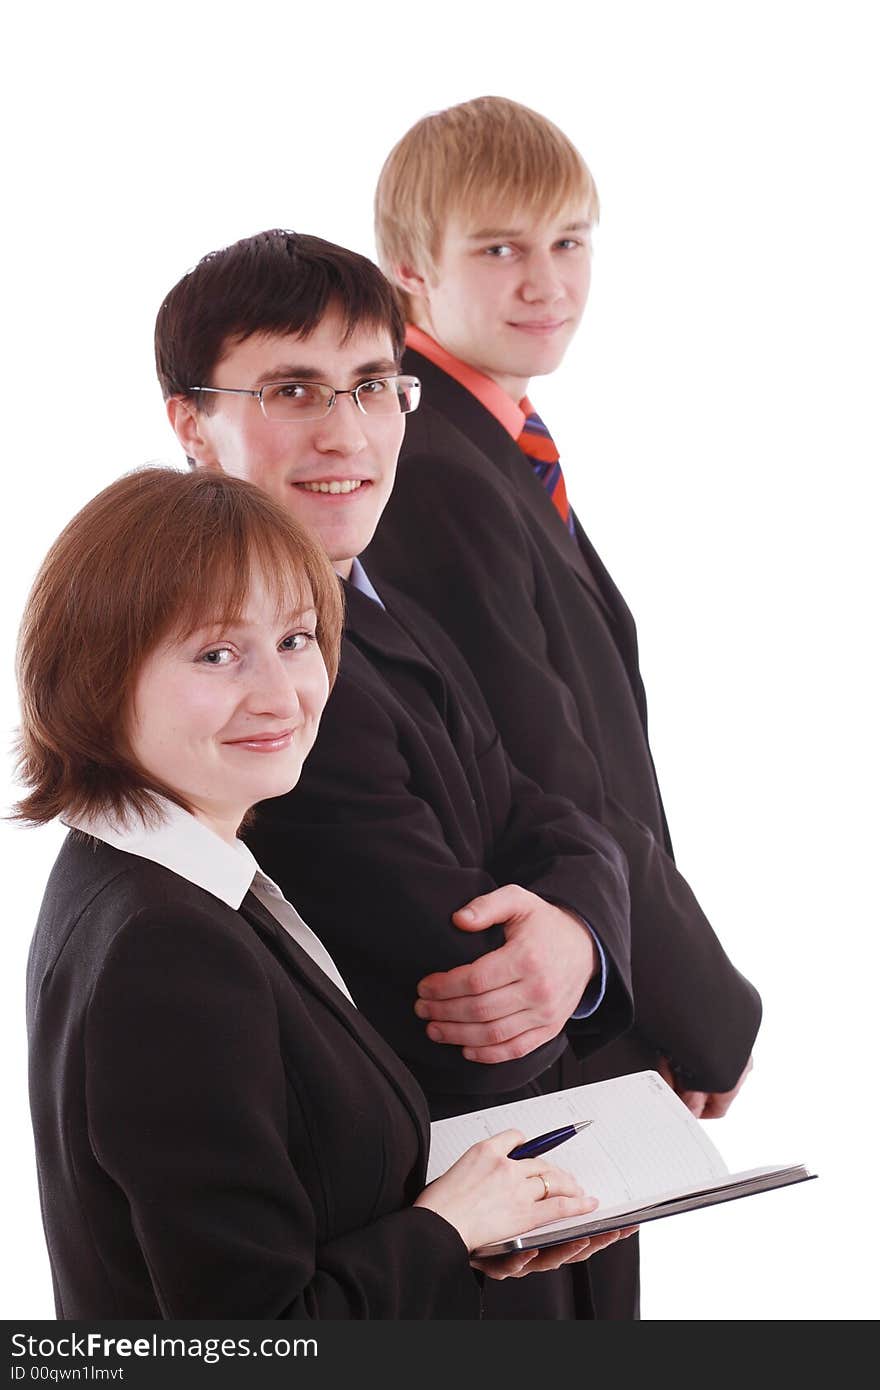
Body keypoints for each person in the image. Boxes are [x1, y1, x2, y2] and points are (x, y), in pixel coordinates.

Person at [155, 229, 636, 1319]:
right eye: (292, 389)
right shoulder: (242, 697)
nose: (346, 432)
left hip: (507, 1210)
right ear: (191, 421)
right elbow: (462, 976)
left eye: (373, 386)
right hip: (411, 1250)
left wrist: (577, 940)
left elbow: (557, 816)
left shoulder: (372, 602)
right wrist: (552, 937)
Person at [18, 466, 615, 1321]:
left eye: (297, 639)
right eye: (218, 653)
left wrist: (470, 1227)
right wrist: (445, 1231)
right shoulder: (164, 943)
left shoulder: (149, 871)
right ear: (95, 675)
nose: (280, 696)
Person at [366, 95, 763, 1318]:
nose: (547, 282)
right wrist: (699, 1006)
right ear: (410, 270)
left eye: (569, 241)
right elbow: (555, 773)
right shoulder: (433, 467)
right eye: (500, 248)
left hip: (586, 973)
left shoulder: (497, 444)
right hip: (546, 1000)